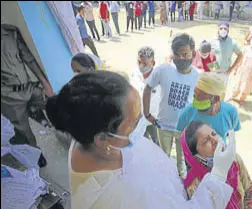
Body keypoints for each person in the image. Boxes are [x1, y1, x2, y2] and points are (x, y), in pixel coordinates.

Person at [46, 70, 236, 209]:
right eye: (134, 122)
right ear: (104, 140)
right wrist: (218, 174)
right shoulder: (123, 198)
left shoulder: (86, 132)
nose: (141, 123)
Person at [143, 33, 200, 176]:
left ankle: (181, 183)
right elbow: (148, 87)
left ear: (193, 53)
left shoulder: (198, 77)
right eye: (177, 54)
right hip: (164, 126)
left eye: (185, 54)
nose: (181, 58)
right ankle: (164, 183)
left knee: (183, 161)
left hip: (184, 129)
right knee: (163, 159)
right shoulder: (163, 70)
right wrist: (147, 114)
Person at [1, 24, 53, 168]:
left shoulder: (10, 32)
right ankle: (36, 155)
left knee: (55, 103)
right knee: (23, 133)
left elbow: (29, 59)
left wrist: (46, 84)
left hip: (29, 87)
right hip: (7, 95)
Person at [181, 121, 252, 208]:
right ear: (195, 157)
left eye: (214, 134)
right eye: (206, 140)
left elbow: (248, 190)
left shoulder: (234, 159)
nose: (214, 140)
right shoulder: (194, 185)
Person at [177, 72, 240, 142]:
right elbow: (180, 136)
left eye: (200, 97)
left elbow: (232, 134)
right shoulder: (188, 112)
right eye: (195, 94)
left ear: (216, 99)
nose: (195, 100)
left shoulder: (231, 112)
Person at [130, 47, 160, 146]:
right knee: (142, 145)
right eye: (139, 62)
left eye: (145, 64)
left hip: (154, 120)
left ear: (153, 63)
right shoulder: (135, 74)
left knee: (157, 143)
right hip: (138, 120)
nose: (141, 66)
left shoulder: (160, 80)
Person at [210, 22, 243, 100]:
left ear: (228, 30)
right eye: (221, 28)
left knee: (221, 91)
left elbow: (240, 55)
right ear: (218, 30)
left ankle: (220, 106)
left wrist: (232, 68)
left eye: (225, 29)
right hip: (213, 70)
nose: (223, 30)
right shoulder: (212, 41)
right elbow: (207, 54)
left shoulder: (232, 43)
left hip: (224, 71)